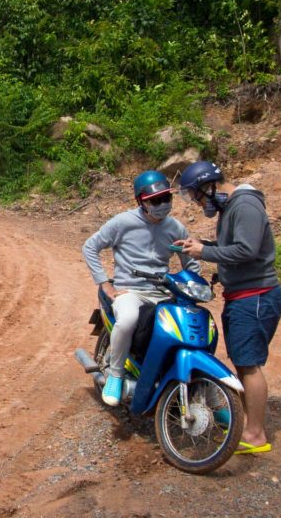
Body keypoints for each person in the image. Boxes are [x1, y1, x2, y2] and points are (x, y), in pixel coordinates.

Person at [174, 161, 281, 455]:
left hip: (255, 296)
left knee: (248, 365)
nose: (198, 203)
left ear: (209, 187)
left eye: (196, 196)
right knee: (243, 360)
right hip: (244, 295)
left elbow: (246, 250)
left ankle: (255, 434)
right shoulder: (230, 209)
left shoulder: (245, 205)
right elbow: (234, 246)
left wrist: (205, 252)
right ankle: (248, 423)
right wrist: (201, 244)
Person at [82, 171, 199, 406]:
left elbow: (191, 262)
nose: (163, 205)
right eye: (156, 200)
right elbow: (90, 247)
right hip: (130, 290)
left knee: (186, 328)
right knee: (127, 320)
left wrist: (193, 285)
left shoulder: (175, 228)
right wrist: (105, 283)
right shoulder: (123, 222)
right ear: (141, 201)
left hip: (163, 292)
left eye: (167, 199)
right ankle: (115, 374)